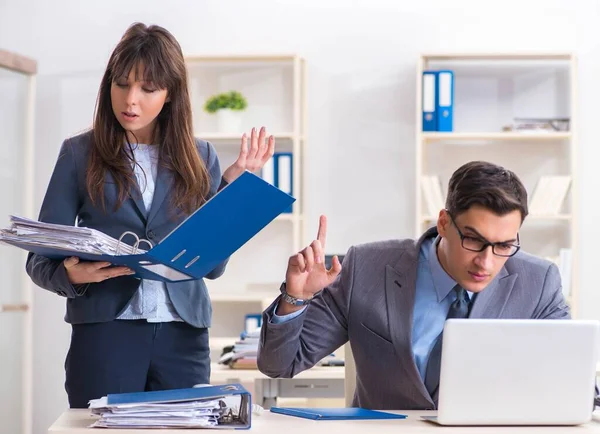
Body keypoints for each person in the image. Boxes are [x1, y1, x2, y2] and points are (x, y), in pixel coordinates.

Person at [26, 22, 274, 408]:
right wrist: (70, 275)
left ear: (170, 94)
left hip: (183, 335)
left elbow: (212, 267)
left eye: (148, 89)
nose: (130, 100)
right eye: (122, 84)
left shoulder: (201, 156)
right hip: (106, 333)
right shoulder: (78, 153)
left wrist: (232, 191)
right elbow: (39, 259)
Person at [257, 160, 570, 410]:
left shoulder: (538, 282)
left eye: (504, 245)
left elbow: (571, 380)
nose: (486, 263)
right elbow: (279, 365)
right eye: (473, 240)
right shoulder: (367, 268)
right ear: (444, 223)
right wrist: (296, 297)